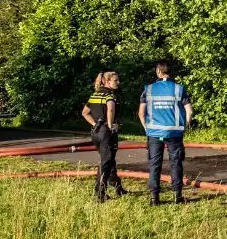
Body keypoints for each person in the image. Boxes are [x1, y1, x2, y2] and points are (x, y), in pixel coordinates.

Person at [138, 62, 192, 206]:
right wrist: (184, 127)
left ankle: (154, 198)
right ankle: (177, 196)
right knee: (176, 163)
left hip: (154, 133)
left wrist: (147, 129)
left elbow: (141, 113)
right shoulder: (179, 89)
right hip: (175, 133)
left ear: (158, 71)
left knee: (154, 164)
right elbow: (189, 110)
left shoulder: (148, 89)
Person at [81, 71, 127, 202]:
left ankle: (118, 187)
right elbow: (111, 108)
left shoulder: (95, 95)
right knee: (106, 161)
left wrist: (95, 124)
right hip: (106, 132)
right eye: (116, 80)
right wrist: (111, 125)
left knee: (109, 159)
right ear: (107, 82)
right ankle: (100, 192)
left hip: (95, 132)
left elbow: (85, 113)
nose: (118, 83)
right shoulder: (110, 95)